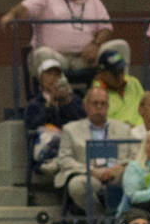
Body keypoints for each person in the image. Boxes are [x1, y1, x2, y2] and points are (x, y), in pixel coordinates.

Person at [0, 0, 112, 76]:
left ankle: (118, 93)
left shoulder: (94, 0)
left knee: (119, 47)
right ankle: (64, 92)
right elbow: (24, 8)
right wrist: (11, 14)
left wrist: (95, 45)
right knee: (42, 54)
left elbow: (106, 28)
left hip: (85, 59)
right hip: (55, 58)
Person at [53, 85, 132, 215]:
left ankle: (128, 218)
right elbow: (64, 160)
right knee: (77, 185)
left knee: (135, 178)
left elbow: (134, 156)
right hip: (88, 174)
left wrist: (118, 168)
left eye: (103, 103)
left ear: (108, 106)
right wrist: (92, 171)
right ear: (86, 106)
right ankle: (103, 218)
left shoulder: (124, 129)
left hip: (118, 174)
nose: (99, 107)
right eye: (95, 103)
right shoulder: (70, 130)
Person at [25, 51, 85, 169]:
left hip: (70, 143)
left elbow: (82, 122)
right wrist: (50, 106)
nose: (53, 78)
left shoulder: (73, 99)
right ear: (40, 78)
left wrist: (67, 103)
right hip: (48, 144)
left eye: (56, 75)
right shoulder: (35, 103)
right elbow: (32, 126)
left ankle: (64, 161)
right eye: (49, 74)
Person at [92, 47, 144, 127]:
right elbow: (99, 122)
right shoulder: (96, 94)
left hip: (143, 132)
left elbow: (147, 108)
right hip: (116, 136)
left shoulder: (134, 82)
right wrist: (122, 127)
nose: (120, 76)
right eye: (115, 73)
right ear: (102, 74)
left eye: (122, 71)